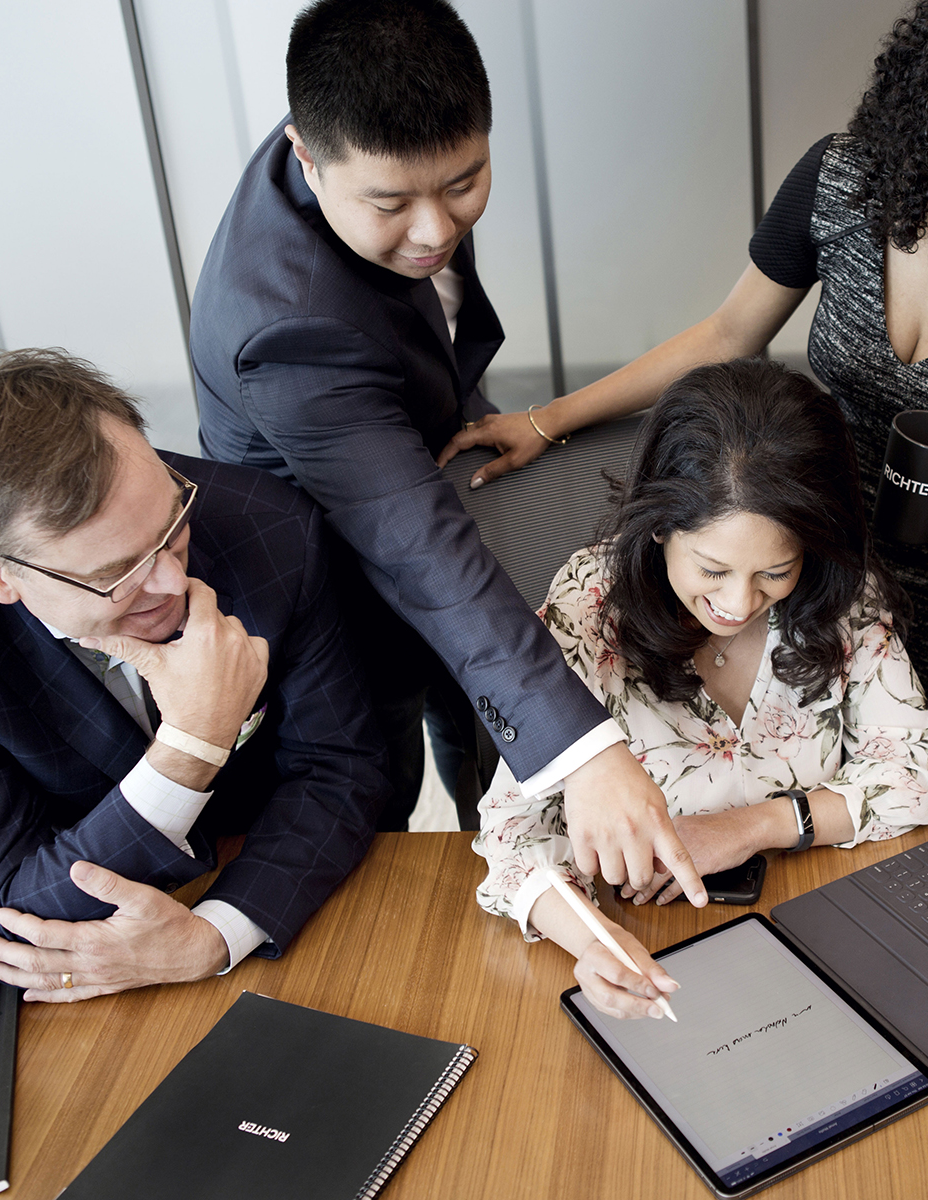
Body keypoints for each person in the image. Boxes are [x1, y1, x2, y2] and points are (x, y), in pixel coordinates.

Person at [442, 0, 928, 812]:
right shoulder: (845, 185)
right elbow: (726, 334)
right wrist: (549, 419)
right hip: (805, 561)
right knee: (797, 789)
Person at [190, 0, 705, 903]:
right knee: (372, 825)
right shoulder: (290, 326)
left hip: (428, 479)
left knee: (477, 720)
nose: (435, 231)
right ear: (306, 157)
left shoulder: (381, 138)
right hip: (331, 586)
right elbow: (417, 549)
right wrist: (585, 756)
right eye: (391, 204)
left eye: (464, 184)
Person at [0, 350, 390, 1002]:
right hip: (98, 949)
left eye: (171, 527)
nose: (171, 581)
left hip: (283, 892)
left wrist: (215, 934)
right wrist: (190, 748)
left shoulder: (269, 527)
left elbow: (341, 767)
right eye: (117, 571)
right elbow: (3, 917)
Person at [475, 359, 928, 1019]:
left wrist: (750, 827)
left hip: (830, 939)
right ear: (662, 525)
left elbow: (916, 775)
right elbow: (510, 836)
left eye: (775, 571)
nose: (738, 603)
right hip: (660, 951)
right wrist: (594, 942)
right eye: (713, 568)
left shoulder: (841, 593)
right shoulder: (588, 607)